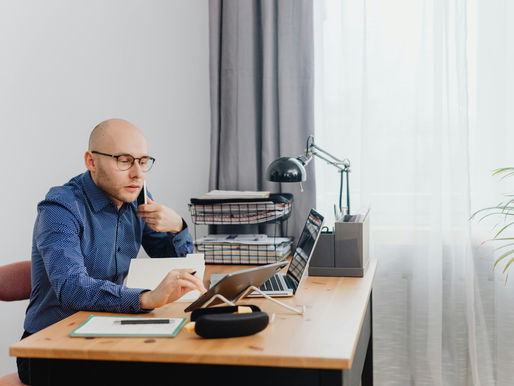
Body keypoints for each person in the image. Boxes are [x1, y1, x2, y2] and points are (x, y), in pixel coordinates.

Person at [17, 118, 206, 384]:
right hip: (51, 347)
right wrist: (146, 299)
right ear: (91, 161)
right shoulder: (59, 207)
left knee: (193, 361)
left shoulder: (135, 196)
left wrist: (178, 227)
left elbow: (175, 265)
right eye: (124, 160)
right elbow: (72, 287)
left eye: (143, 161)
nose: (137, 173)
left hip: (110, 330)